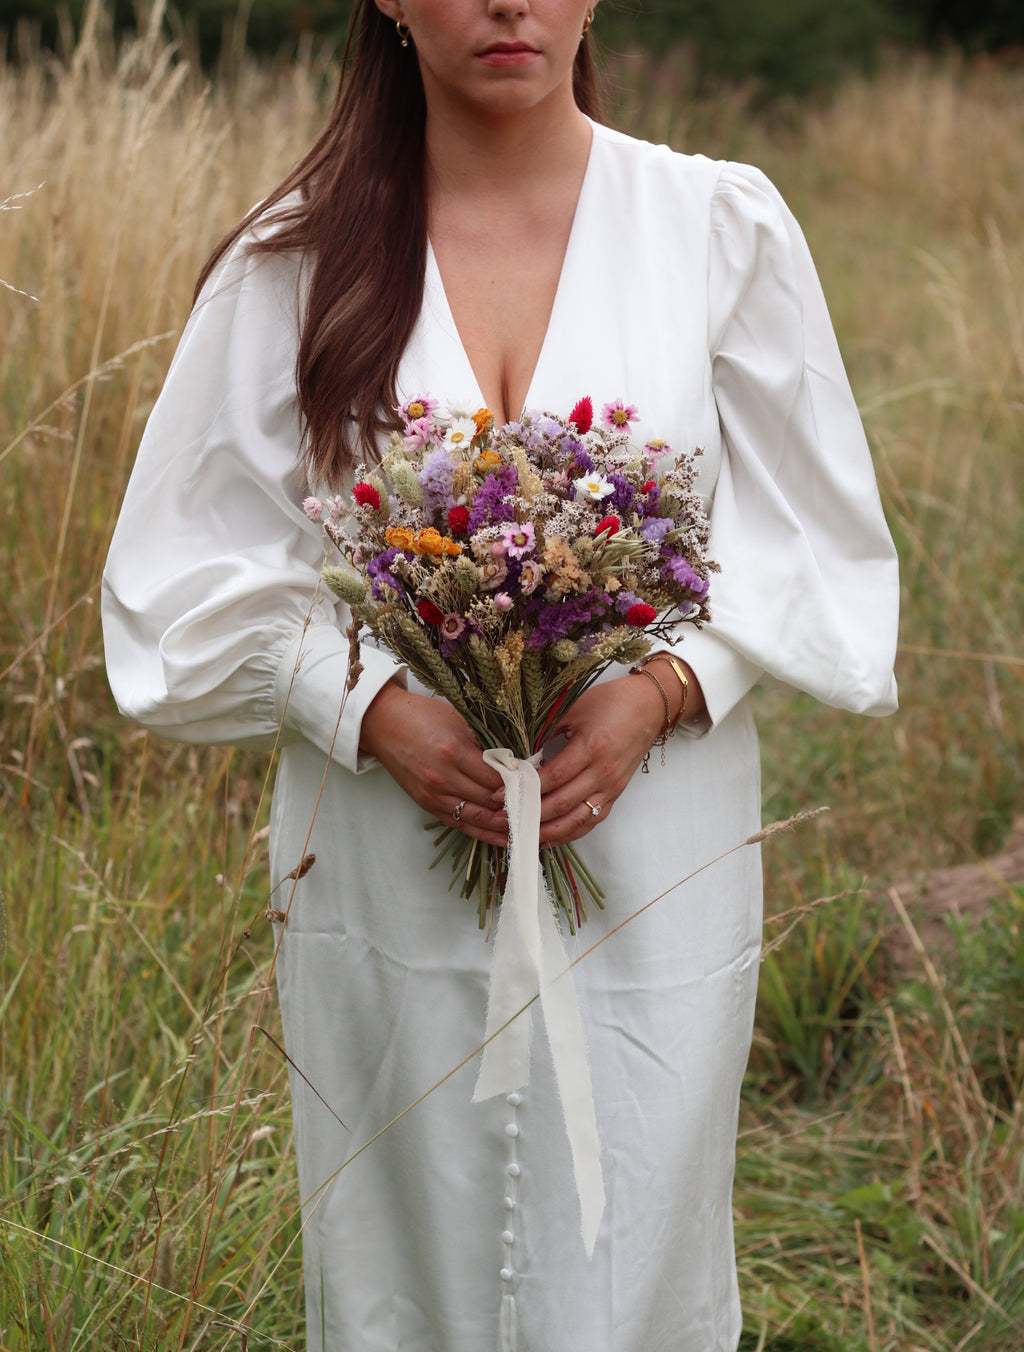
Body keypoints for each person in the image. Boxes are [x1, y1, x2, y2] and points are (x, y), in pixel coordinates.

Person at [102, 1, 900, 1348]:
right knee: (403, 1243)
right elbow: (178, 571)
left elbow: (812, 534)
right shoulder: (295, 261)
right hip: (384, 846)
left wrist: (662, 689)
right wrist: (366, 708)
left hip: (655, 837)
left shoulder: (716, 228)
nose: (508, 3)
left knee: (635, 1227)